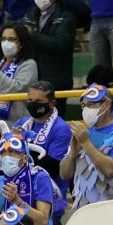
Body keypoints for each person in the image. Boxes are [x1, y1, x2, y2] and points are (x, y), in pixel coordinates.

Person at [59, 84, 113, 208]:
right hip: (83, 207)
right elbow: (64, 174)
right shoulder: (84, 133)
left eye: (90, 105)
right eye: (83, 105)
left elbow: (110, 170)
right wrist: (72, 155)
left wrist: (86, 143)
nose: (86, 109)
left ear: (106, 105)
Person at [13, 81, 73, 213]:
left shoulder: (61, 129)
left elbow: (53, 167)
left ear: (52, 103)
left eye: (38, 101)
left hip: (49, 199)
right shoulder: (22, 123)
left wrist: (20, 147)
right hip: (21, 196)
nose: (33, 104)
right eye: (30, 100)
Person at [22, 0, 78, 95]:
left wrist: (32, 35)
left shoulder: (66, 17)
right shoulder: (31, 15)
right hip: (33, 77)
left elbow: (59, 44)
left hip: (56, 80)